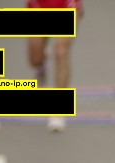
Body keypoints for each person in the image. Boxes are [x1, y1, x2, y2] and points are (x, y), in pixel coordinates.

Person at [27, 0, 83, 132]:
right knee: (35, 60)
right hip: (39, 5)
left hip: (67, 5)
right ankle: (42, 65)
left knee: (61, 52)